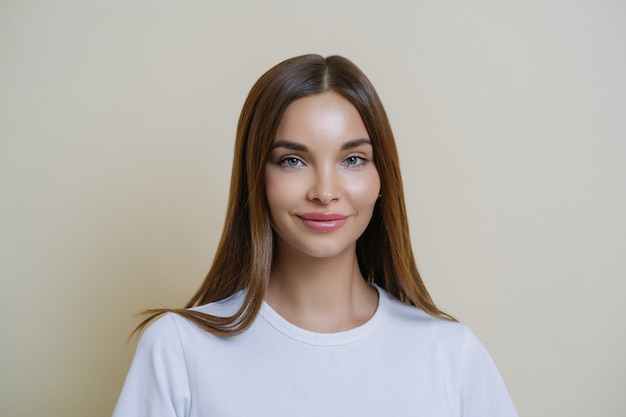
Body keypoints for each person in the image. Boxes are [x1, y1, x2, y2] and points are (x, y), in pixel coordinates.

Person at [112, 54, 518, 417]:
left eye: (353, 159)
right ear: (258, 178)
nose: (325, 192)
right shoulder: (179, 350)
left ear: (381, 179)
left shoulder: (450, 353)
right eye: (292, 160)